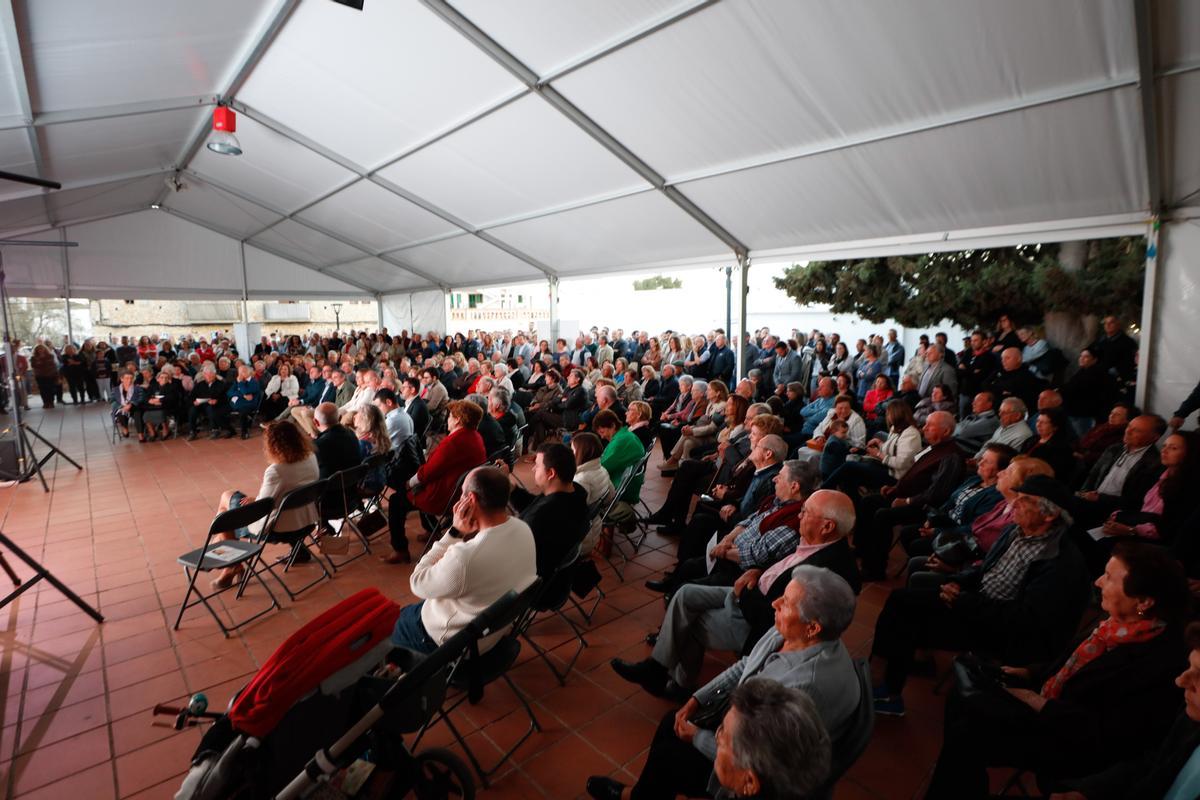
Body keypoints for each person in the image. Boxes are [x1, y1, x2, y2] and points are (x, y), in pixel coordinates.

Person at [925, 542, 1189, 798]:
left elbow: (1111, 734)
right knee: (962, 697)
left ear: (1143, 602)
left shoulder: (1161, 662)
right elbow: (1068, 663)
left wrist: (1036, 701)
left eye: (1109, 578)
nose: (1098, 582)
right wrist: (1030, 673)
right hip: (1052, 706)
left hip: (1078, 744)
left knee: (966, 736)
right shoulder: (1116, 622)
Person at [591, 565, 852, 800]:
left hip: (752, 770)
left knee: (668, 758)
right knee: (671, 722)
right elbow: (746, 664)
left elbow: (758, 766)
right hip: (741, 727)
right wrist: (698, 698)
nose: (775, 603)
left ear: (813, 627)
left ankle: (639, 796)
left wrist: (697, 737)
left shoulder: (804, 689)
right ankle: (643, 795)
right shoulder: (788, 629)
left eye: (786, 602)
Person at [870, 475, 1091, 717]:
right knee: (900, 600)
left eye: (1024, 500)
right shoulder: (1015, 532)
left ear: (1049, 515)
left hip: (1000, 629)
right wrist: (958, 582)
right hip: (977, 603)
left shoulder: (1061, 563)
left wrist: (964, 600)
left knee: (907, 616)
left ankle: (889, 693)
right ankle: (878, 676)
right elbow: (986, 570)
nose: (1013, 504)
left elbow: (1025, 620)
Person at [614, 491, 860, 697]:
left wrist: (745, 594)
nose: (799, 515)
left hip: (755, 618)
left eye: (806, 512)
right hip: (751, 588)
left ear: (827, 526)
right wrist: (758, 571)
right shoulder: (815, 541)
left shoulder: (830, 572)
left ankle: (680, 685)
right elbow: (784, 567)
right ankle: (657, 669)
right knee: (685, 593)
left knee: (689, 621)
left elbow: (779, 617)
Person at [390, 466, 537, 654]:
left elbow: (418, 582)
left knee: (388, 624)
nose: (459, 499)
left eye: (462, 493)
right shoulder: (523, 528)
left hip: (451, 642)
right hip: (490, 633)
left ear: (471, 499)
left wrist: (454, 533)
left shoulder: (465, 558)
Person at [1052, 621, 1200, 800]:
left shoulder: (1158, 656)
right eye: (1189, 668)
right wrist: (1087, 792)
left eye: (1198, 675)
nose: (1180, 681)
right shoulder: (1190, 714)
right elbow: (1155, 763)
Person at [854, 411, 966, 581]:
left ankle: (875, 568)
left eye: (930, 425)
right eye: (926, 424)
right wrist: (894, 488)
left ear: (945, 431)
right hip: (906, 496)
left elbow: (937, 493)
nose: (924, 428)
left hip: (924, 507)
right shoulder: (933, 447)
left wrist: (907, 500)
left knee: (882, 515)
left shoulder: (951, 456)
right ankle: (862, 548)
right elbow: (914, 475)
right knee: (869, 501)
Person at [210, 420, 320, 588]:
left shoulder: (276, 471)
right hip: (306, 521)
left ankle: (232, 565)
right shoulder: (311, 457)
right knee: (229, 511)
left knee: (225, 511)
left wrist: (256, 500)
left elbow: (262, 507)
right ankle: (222, 545)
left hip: (279, 529)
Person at [381, 399, 487, 564]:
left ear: (458, 419)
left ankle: (400, 550)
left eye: (450, 416)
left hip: (444, 496)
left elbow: (428, 472)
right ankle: (433, 530)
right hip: (460, 492)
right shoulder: (476, 436)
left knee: (396, 500)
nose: (447, 419)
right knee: (415, 487)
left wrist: (410, 482)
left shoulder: (453, 442)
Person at [505, 442, 589, 577]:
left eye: (537, 466)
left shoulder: (542, 516)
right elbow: (536, 505)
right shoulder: (576, 493)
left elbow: (510, 555)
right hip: (557, 580)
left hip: (532, 583)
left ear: (551, 473)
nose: (533, 469)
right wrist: (512, 489)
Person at [1075, 413, 1166, 525]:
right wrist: (1082, 495)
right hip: (1089, 502)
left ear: (1155, 437)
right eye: (1129, 427)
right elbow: (1093, 475)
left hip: (1116, 513)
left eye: (1137, 430)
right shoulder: (1114, 448)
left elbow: (1138, 501)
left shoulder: (1156, 463)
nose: (1128, 432)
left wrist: (1101, 499)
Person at [822, 400, 922, 494]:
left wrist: (878, 454)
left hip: (896, 476)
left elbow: (901, 463)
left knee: (849, 467)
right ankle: (851, 502)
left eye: (888, 414)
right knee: (850, 474)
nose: (887, 417)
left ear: (897, 414)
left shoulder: (911, 434)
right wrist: (879, 444)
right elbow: (892, 450)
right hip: (887, 468)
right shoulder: (895, 428)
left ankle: (824, 489)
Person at [1022, 407, 1075, 482]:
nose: (1038, 425)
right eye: (1038, 421)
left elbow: (1054, 473)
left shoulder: (1061, 448)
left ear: (1055, 427)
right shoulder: (1031, 440)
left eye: (1043, 422)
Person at [137, 369, 182, 441]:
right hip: (152, 406)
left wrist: (160, 400)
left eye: (166, 378)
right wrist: (149, 400)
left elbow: (173, 397)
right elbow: (145, 396)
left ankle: (166, 430)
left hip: (166, 406)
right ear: (157, 379)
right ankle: (152, 432)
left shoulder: (172, 387)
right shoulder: (152, 386)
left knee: (161, 413)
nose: (164, 379)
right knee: (145, 415)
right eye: (162, 377)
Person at [187, 364, 229, 440]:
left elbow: (225, 397)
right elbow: (191, 396)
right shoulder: (200, 384)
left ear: (215, 375)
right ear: (204, 375)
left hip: (216, 405)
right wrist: (194, 401)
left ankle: (215, 430)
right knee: (192, 410)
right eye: (206, 375)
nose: (208, 377)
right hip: (201, 404)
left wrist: (216, 401)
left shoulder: (221, 384)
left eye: (210, 375)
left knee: (210, 408)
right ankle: (192, 431)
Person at [227, 364, 262, 439]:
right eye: (239, 372)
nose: (240, 374)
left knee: (243, 413)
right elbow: (229, 393)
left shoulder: (253, 382)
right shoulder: (238, 381)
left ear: (248, 372)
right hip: (236, 404)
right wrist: (242, 395)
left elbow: (245, 391)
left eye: (242, 372)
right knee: (220, 411)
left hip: (248, 404)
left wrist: (240, 384)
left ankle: (244, 432)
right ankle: (231, 430)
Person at [111, 371, 144, 438]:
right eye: (127, 378)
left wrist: (131, 404)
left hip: (134, 407)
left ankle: (140, 434)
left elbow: (141, 398)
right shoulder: (115, 390)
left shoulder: (137, 388)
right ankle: (125, 428)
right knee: (121, 412)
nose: (129, 380)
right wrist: (122, 406)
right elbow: (112, 400)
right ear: (122, 379)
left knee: (137, 413)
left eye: (131, 378)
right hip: (122, 407)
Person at [30, 344, 58, 409]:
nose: (40, 350)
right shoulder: (33, 357)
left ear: (45, 349)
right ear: (36, 350)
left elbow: (52, 365)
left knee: (50, 389)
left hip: (50, 375)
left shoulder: (50, 356)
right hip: (40, 375)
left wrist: (40, 363)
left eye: (42, 348)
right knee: (42, 389)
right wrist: (41, 363)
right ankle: (45, 402)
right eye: (39, 349)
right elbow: (33, 366)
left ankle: (51, 402)